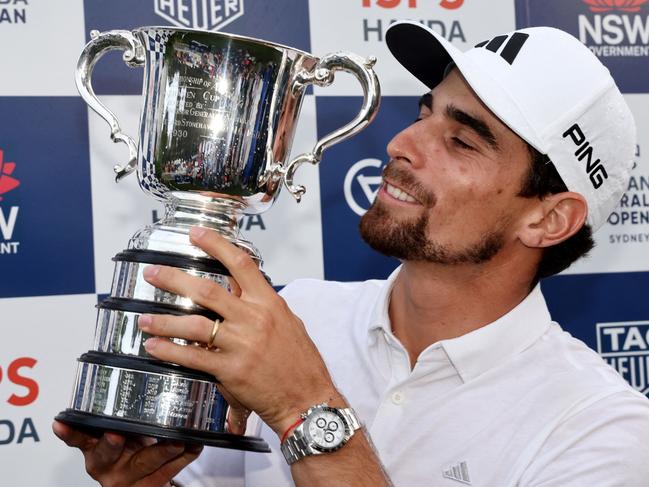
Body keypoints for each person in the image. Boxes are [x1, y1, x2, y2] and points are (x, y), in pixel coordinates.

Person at [54, 21, 649, 487]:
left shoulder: (600, 431)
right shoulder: (296, 314)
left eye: (461, 140)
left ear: (549, 219)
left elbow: (301, 400)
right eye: (424, 114)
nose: (400, 144)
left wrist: (304, 405)